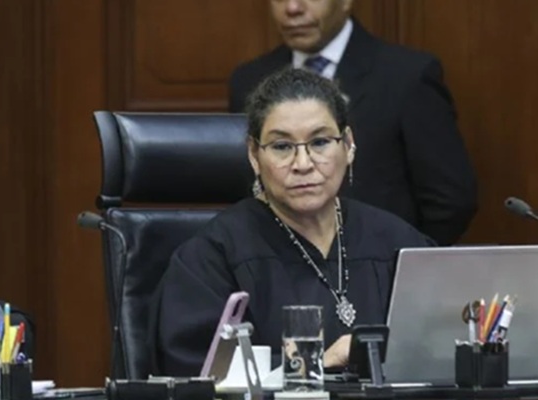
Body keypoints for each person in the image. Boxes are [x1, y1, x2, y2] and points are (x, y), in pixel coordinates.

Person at [150, 68, 434, 377]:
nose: (303, 164)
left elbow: (441, 351)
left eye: (320, 142)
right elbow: (200, 375)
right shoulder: (211, 259)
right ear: (254, 155)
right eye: (282, 147)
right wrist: (316, 363)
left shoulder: (399, 243)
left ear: (348, 145)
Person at [229, 0, 478, 245]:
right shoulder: (249, 81)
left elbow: (451, 200)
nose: (293, 8)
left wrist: (404, 259)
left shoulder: (407, 76)